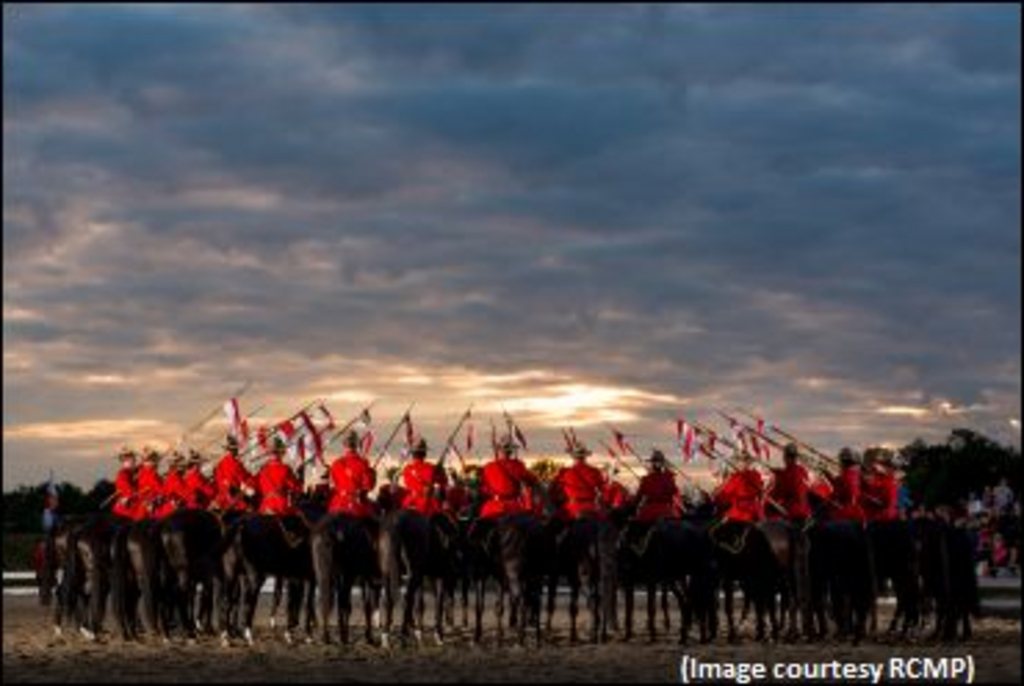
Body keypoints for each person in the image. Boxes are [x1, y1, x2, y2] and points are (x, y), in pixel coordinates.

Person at [327, 431, 377, 518]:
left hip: (338, 503)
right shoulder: (362, 463)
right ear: (356, 445)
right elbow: (368, 486)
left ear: (344, 445)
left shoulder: (336, 463)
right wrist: (373, 474)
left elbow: (333, 485)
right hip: (356, 504)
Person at [551, 443, 606, 521]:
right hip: (591, 507)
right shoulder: (595, 471)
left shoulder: (564, 472)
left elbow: (554, 491)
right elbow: (603, 490)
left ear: (573, 457)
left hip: (571, 509)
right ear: (585, 457)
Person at [714, 450, 765, 524]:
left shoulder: (736, 477)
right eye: (738, 461)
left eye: (740, 461)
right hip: (755, 511)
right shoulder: (756, 475)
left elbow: (724, 496)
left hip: (738, 512)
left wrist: (717, 498)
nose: (738, 463)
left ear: (746, 463)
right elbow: (760, 494)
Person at [400, 438, 448, 516]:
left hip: (410, 501)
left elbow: (407, 484)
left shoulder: (407, 469)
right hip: (427, 503)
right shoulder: (431, 468)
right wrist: (441, 470)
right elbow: (444, 482)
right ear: (424, 454)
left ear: (412, 454)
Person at [256, 437, 302, 516]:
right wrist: (300, 479)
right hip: (280, 507)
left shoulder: (263, 469)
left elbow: (258, 486)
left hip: (265, 506)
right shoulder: (285, 469)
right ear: (281, 453)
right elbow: (295, 487)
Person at [767, 443, 811, 524]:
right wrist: (779, 472)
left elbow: (779, 494)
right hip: (806, 510)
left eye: (784, 457)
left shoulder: (787, 474)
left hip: (793, 511)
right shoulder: (802, 470)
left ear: (786, 457)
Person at [634, 449, 681, 523]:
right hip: (666, 511)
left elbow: (638, 497)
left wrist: (633, 506)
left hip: (649, 512)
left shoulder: (646, 479)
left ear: (652, 464)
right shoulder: (669, 478)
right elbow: (674, 492)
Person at [213, 435, 255, 512]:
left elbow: (218, 479)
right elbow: (242, 478)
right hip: (233, 496)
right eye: (237, 449)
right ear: (234, 450)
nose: (238, 451)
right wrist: (251, 478)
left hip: (221, 497)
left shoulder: (220, 463)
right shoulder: (236, 463)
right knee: (250, 508)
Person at [862, 448, 900, 523]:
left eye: (886, 465)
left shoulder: (890, 481)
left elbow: (887, 503)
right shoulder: (880, 477)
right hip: (876, 515)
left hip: (882, 517)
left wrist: (871, 498)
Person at [829, 448, 865, 524]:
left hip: (844, 514)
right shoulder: (854, 475)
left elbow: (849, 496)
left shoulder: (848, 475)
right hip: (852, 513)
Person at [112, 447, 142, 520]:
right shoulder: (122, 474)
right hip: (127, 506)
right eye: (127, 459)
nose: (132, 460)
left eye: (132, 457)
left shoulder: (134, 471)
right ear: (123, 461)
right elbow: (127, 489)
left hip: (134, 500)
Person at [156, 452, 189, 518]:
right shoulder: (175, 478)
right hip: (173, 505)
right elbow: (182, 491)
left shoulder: (170, 476)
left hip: (168, 504)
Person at [136, 448, 165, 519]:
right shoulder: (150, 473)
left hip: (148, 500)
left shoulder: (143, 471)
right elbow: (159, 488)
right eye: (154, 460)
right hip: (150, 501)